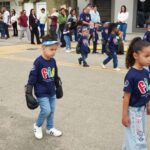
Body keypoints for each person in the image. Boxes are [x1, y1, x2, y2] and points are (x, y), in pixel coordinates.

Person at [26, 34, 62, 139]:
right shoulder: (38, 62)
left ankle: (50, 128)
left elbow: (55, 75)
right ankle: (37, 125)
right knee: (46, 110)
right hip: (41, 92)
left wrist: (58, 85)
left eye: (55, 49)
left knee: (52, 110)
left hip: (52, 91)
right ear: (43, 48)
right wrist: (29, 91)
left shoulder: (53, 61)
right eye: (51, 49)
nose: (54, 52)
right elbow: (32, 77)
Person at [122, 37, 150, 150]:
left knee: (133, 135)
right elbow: (126, 97)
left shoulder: (146, 71)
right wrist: (124, 115)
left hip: (142, 109)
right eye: (146, 56)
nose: (149, 59)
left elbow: (147, 89)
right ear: (135, 56)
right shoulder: (131, 75)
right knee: (139, 139)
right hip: (134, 112)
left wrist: (148, 104)